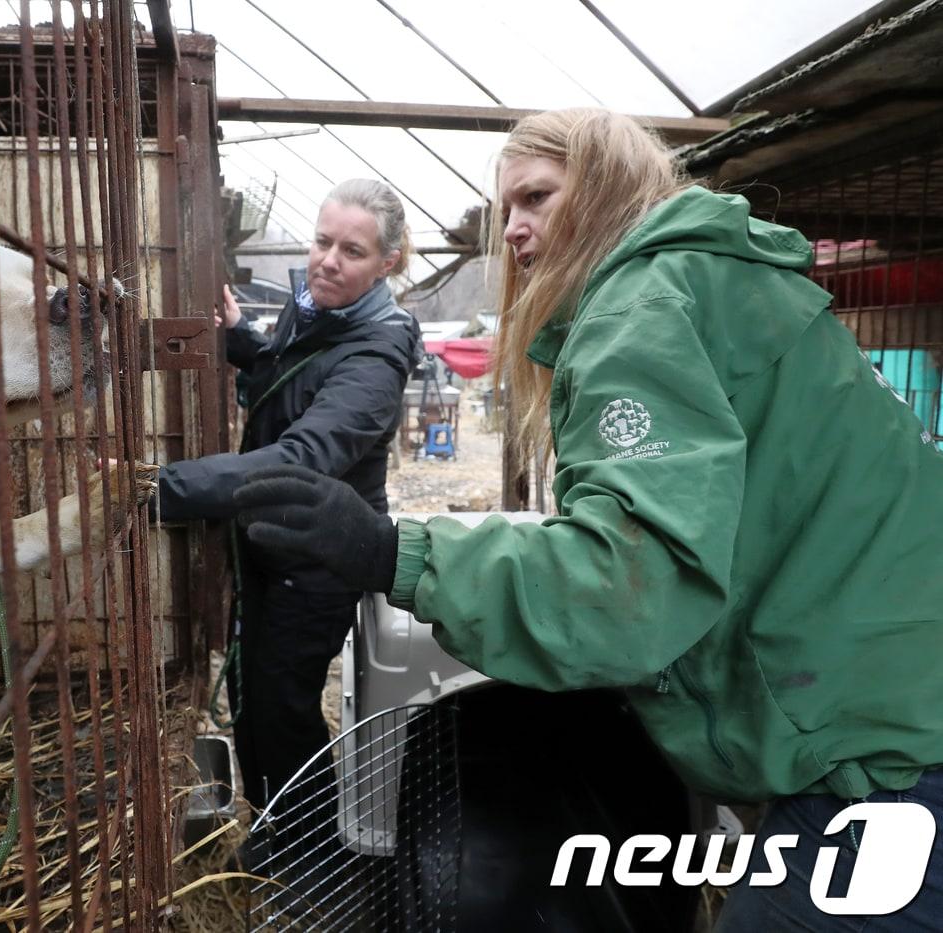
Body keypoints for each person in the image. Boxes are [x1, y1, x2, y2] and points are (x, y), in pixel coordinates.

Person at [234, 108, 943, 927]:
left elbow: (631, 582)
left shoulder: (639, 306)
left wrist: (400, 554)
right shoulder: (726, 279)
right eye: (505, 211)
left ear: (608, 185)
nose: (515, 231)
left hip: (882, 752)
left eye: (537, 197)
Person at [155, 178, 422, 826]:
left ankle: (307, 852)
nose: (328, 260)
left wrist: (167, 486)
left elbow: (304, 456)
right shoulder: (319, 305)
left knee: (283, 707)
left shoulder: (377, 354)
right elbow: (292, 371)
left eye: (352, 251)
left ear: (387, 261)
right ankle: (272, 822)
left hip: (318, 558)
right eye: (322, 240)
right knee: (254, 696)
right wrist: (243, 338)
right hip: (275, 539)